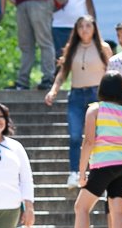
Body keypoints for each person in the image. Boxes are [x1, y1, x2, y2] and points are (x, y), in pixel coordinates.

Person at [66, 73, 122, 228]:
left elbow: (88, 142)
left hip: (103, 164)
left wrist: (81, 173)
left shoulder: (95, 110)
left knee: (81, 207)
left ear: (101, 89)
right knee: (118, 210)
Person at [45, 14, 112, 185]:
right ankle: (74, 172)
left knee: (98, 136)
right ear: (76, 29)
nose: (84, 29)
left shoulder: (103, 48)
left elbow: (111, 73)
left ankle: (98, 172)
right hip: (75, 95)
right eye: (81, 26)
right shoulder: (71, 48)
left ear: (94, 28)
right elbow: (63, 73)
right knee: (75, 136)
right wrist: (53, 90)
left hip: (97, 96)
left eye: (88, 26)